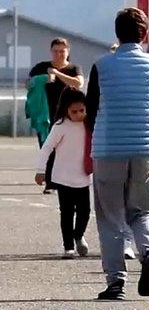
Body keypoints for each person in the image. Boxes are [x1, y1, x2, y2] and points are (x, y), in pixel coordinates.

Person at [85, 8, 149, 301]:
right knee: (142, 210)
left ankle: (116, 281)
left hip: (109, 147)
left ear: (117, 33)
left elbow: (92, 108)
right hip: (147, 146)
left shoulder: (102, 65)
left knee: (110, 215)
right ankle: (148, 252)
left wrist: (98, 132)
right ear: (144, 34)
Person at [34, 89, 91, 258]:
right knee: (66, 213)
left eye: (82, 110)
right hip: (63, 178)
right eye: (74, 111)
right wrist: (40, 171)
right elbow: (47, 148)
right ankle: (68, 246)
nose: (79, 114)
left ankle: (78, 235)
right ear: (65, 109)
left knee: (85, 212)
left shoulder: (89, 125)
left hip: (83, 178)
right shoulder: (60, 127)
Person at [29, 37, 85, 194]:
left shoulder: (74, 68)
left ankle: (66, 180)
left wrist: (56, 73)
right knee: (47, 148)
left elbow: (78, 83)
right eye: (56, 51)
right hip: (46, 116)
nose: (59, 54)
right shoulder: (42, 67)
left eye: (62, 51)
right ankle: (50, 182)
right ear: (51, 51)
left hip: (69, 116)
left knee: (66, 149)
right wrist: (42, 78)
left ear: (68, 52)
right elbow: (28, 83)